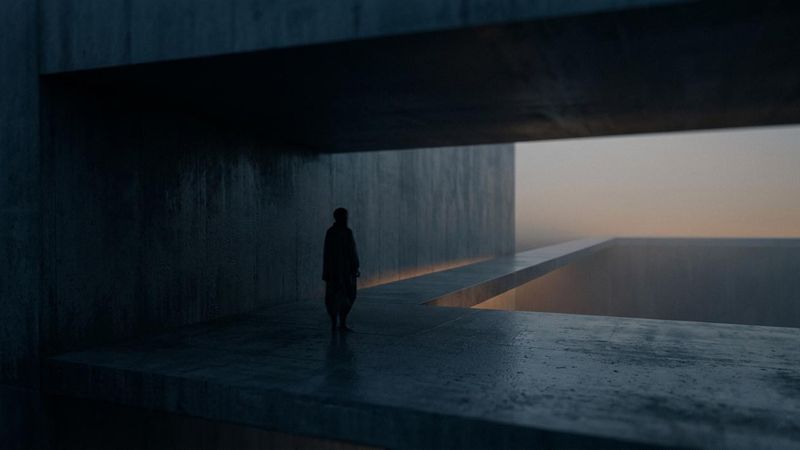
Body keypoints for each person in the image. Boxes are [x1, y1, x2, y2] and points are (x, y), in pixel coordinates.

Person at [322, 208, 360, 331]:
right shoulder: (344, 232)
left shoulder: (332, 232)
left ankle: (338, 323)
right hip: (341, 271)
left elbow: (327, 253)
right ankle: (339, 323)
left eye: (346, 216)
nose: (346, 219)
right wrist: (355, 266)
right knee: (342, 296)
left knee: (340, 296)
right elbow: (352, 251)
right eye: (344, 216)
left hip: (340, 271)